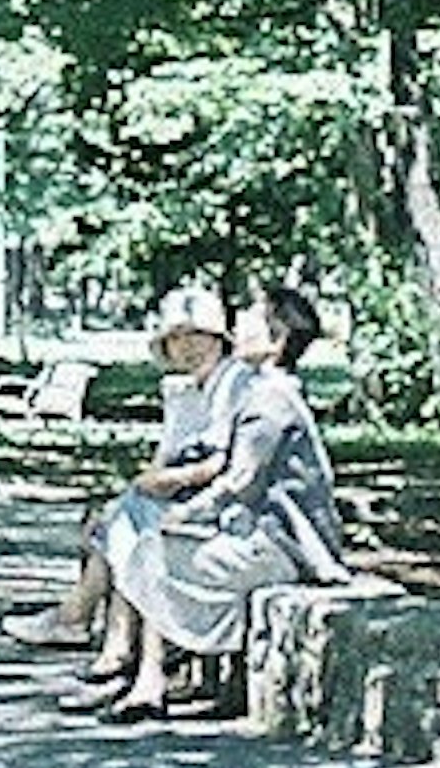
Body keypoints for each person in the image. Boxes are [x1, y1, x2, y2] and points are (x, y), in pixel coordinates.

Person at [89, 281, 345, 722]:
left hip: (284, 551)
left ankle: (146, 678)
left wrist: (184, 514)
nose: (238, 320)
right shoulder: (257, 389)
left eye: (251, 314)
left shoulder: (271, 398)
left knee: (154, 543)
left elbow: (238, 480)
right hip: (257, 537)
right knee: (148, 533)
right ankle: (146, 676)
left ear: (276, 340)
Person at [2, 282, 233, 659]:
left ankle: (83, 624)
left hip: (216, 508)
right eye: (177, 338)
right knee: (118, 517)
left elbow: (218, 466)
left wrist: (154, 485)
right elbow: (165, 457)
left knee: (127, 524)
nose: (188, 346)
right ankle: (102, 637)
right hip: (183, 498)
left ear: (219, 339)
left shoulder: (230, 388)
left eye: (197, 335)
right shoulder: (181, 391)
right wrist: (140, 487)